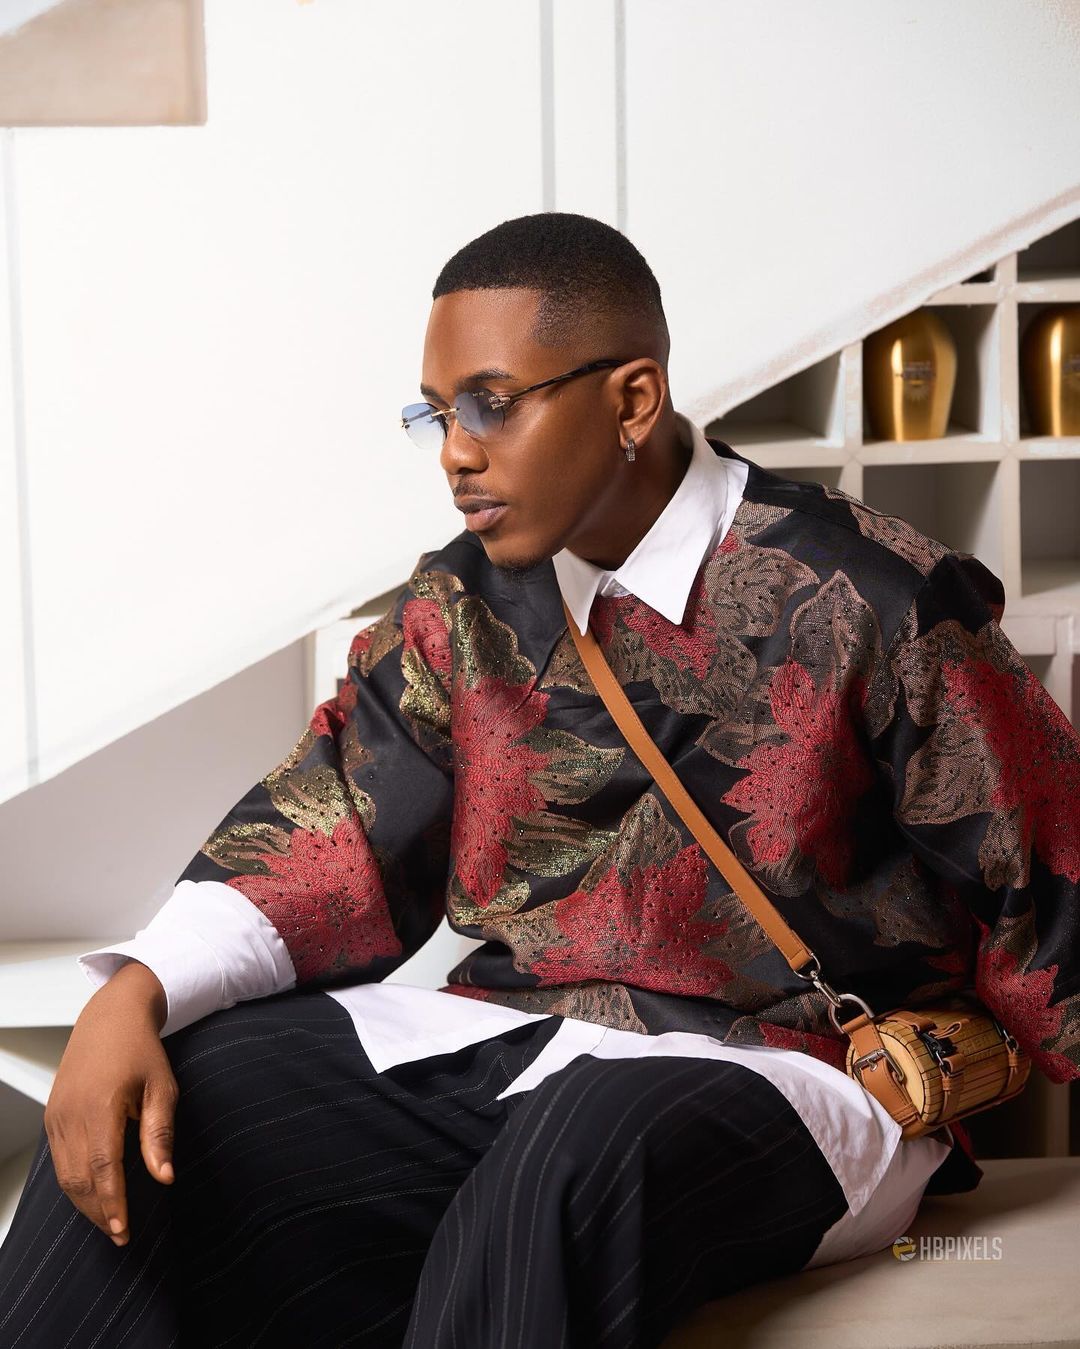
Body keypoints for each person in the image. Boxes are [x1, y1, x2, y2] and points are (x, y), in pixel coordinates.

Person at [1, 212, 1078, 1348]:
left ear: (633, 402)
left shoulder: (872, 595)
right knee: (193, 1091)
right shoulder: (463, 605)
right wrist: (133, 996)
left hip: (793, 1076)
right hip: (520, 1040)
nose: (455, 452)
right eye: (437, 413)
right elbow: (334, 821)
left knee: (577, 1149)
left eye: (490, 403)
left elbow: (1049, 871)